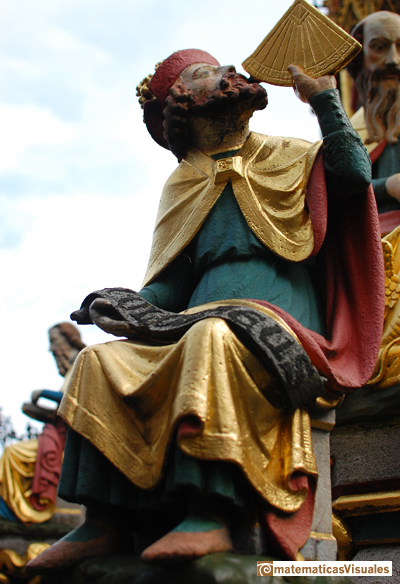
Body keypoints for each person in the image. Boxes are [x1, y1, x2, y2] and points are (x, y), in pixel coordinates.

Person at [27, 49, 384, 573]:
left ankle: (210, 512)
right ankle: (103, 522)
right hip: (197, 323)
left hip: (281, 326)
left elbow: (354, 176)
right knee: (97, 363)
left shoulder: (292, 154)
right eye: (205, 72)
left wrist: (326, 100)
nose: (228, 72)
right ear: (184, 105)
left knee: (212, 337)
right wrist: (122, 307)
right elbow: (169, 289)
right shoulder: (183, 183)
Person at [0, 323, 85, 524]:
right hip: (57, 435)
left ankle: (20, 511)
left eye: (54, 342)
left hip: (68, 441)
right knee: (11, 453)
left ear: (68, 340)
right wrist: (35, 410)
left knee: (13, 454)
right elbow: (61, 413)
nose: (51, 349)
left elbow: (73, 399)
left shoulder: (84, 360)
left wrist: (43, 394)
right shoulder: (70, 369)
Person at [348, 10, 400, 234]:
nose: (393, 60)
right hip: (372, 240)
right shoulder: (350, 132)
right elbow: (337, 193)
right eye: (379, 47)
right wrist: (386, 186)